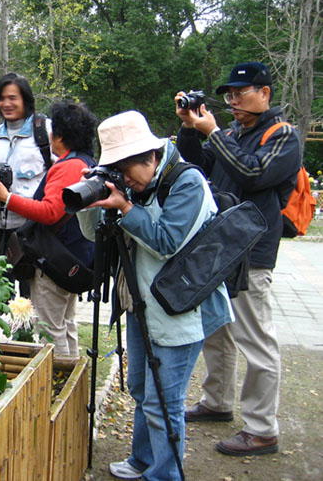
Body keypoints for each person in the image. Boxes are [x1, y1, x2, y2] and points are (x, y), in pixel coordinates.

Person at [77, 110, 234, 480]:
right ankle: (143, 459)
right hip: (141, 304)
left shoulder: (188, 182)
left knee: (165, 400)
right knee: (141, 390)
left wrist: (126, 206)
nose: (126, 181)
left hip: (180, 309)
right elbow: (92, 235)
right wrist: (89, 201)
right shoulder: (135, 184)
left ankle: (164, 474)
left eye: (128, 172)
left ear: (150, 156)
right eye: (119, 173)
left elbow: (166, 241)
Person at [175, 61, 302, 456]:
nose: (232, 102)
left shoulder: (283, 136)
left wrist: (213, 131)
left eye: (240, 94)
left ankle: (263, 428)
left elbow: (253, 174)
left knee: (255, 339)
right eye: (228, 95)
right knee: (217, 329)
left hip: (254, 250)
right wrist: (189, 128)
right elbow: (197, 167)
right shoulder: (232, 132)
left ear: (265, 94)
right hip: (222, 245)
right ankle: (217, 401)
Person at [0, 100, 96, 356]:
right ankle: (70, 383)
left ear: (60, 136)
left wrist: (6, 198)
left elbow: (50, 212)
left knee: (49, 330)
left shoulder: (68, 166)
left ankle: (57, 384)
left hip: (54, 260)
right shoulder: (86, 162)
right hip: (71, 257)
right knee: (65, 324)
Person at [0, 73, 54, 297]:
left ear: (26, 99)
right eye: (1, 98)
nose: (6, 104)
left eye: (13, 98)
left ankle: (29, 333)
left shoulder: (46, 132)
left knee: (32, 297)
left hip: (32, 231)